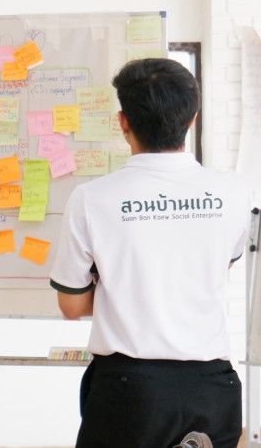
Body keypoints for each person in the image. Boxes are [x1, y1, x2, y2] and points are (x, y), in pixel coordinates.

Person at [49, 58, 252, 448]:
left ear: (123, 122)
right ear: (192, 119)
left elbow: (71, 306)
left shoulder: (92, 198)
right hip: (214, 388)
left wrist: (120, 288)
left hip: (130, 391)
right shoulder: (233, 192)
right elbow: (212, 270)